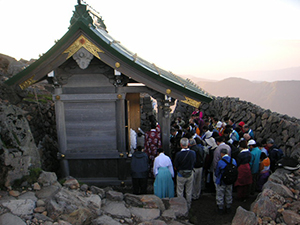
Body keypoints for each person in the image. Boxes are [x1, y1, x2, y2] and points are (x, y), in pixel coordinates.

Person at [174, 138, 196, 209]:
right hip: (190, 173)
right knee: (189, 191)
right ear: (188, 144)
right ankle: (188, 206)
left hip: (181, 174)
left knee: (180, 191)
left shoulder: (178, 154)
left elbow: (176, 164)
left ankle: (180, 206)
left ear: (181, 145)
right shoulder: (193, 153)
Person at [215, 148, 237, 214]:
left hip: (221, 181)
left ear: (222, 154)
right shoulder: (233, 161)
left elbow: (217, 172)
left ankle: (220, 208)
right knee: (229, 193)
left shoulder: (220, 162)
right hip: (230, 181)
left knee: (220, 194)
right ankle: (228, 207)